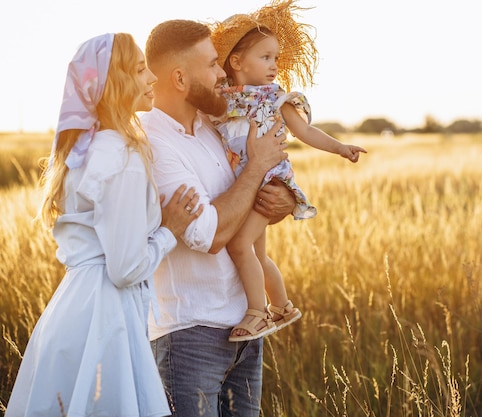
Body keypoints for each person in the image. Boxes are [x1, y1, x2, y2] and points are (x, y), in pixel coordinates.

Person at [5, 33, 201, 417]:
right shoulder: (120, 155)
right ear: (116, 81)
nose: (152, 80)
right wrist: (169, 231)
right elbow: (126, 268)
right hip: (105, 317)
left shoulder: (87, 149)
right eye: (140, 69)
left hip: (72, 309)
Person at [142, 19, 296, 417]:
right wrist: (257, 166)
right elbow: (209, 235)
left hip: (245, 329)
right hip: (190, 336)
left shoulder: (215, 127)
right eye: (212, 65)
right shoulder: (153, 145)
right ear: (179, 77)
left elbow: (245, 202)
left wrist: (278, 198)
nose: (221, 73)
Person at [209, 0, 367, 342]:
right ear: (236, 62)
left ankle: (257, 312)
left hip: (267, 182)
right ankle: (282, 306)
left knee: (239, 246)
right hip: (244, 184)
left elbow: (306, 131)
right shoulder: (221, 99)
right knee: (257, 252)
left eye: (276, 58)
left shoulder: (275, 98)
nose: (274, 66)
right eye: (266, 57)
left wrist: (340, 147)